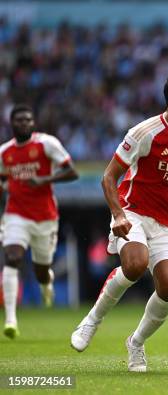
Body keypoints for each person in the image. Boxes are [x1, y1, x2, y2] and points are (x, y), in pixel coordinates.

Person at [70, 72, 168, 372]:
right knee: (134, 264)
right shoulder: (144, 132)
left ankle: (136, 342)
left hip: (167, 221)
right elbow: (109, 176)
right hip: (132, 211)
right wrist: (118, 214)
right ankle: (91, 321)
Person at [0, 104, 78, 339]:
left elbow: (72, 172)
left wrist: (44, 179)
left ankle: (47, 285)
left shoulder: (46, 144)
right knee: (12, 258)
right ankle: (11, 318)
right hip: (15, 214)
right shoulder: (4, 152)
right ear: (11, 124)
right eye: (19, 120)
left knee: (41, 270)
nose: (24, 124)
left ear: (33, 123)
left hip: (45, 218)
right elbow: (3, 181)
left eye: (28, 120)